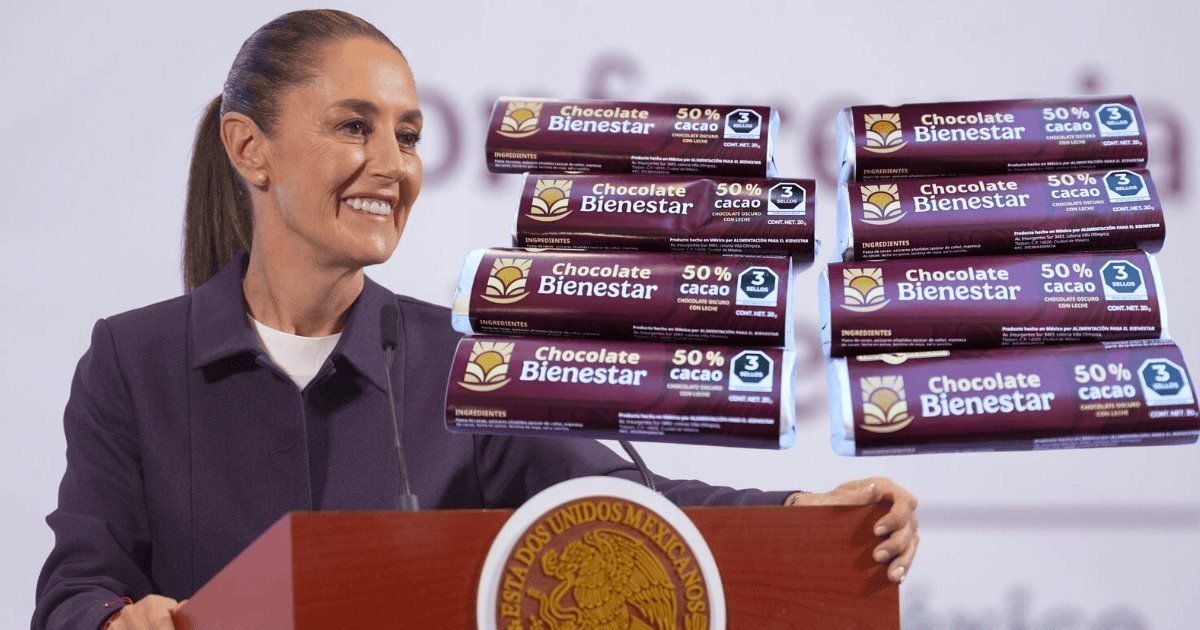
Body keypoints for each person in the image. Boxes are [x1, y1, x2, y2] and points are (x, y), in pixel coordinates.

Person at [33, 10, 919, 630]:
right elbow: (77, 584)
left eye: (409, 136)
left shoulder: (466, 362)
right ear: (248, 148)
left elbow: (624, 506)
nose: (393, 165)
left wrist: (806, 513)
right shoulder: (133, 359)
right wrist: (113, 620)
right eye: (354, 127)